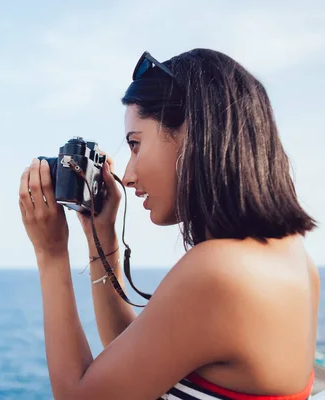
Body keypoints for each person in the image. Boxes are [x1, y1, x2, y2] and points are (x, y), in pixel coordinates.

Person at [18, 48, 319, 400]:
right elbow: (135, 358)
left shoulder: (219, 271)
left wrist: (51, 253)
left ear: (193, 131)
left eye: (136, 144)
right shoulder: (292, 256)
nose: (127, 176)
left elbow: (78, 396)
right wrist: (102, 236)